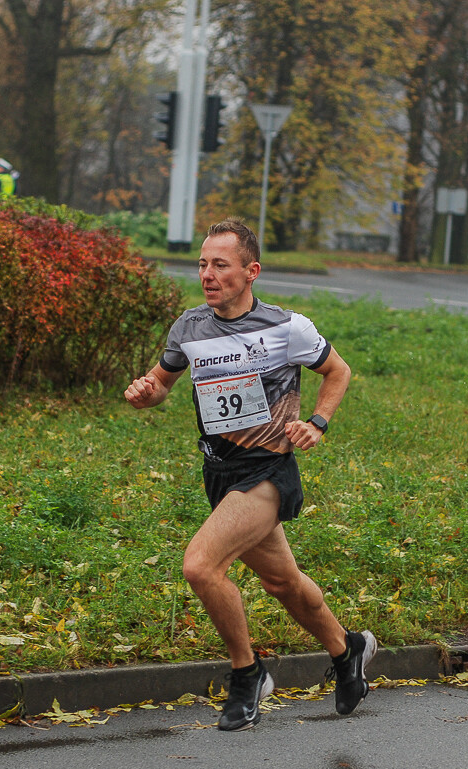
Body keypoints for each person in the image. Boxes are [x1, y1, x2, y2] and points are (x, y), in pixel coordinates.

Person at [123, 218, 376, 732]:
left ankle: (248, 674)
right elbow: (161, 382)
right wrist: (146, 393)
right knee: (282, 582)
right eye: (202, 264)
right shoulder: (189, 327)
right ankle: (347, 649)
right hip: (219, 471)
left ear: (250, 271)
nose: (208, 275)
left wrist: (318, 423)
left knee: (200, 567)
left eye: (220, 265)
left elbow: (338, 371)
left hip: (268, 471)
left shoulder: (287, 328)